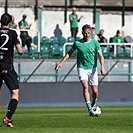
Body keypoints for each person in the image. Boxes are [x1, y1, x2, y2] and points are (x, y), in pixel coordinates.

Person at [55, 24, 106, 116]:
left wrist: (102, 67)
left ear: (90, 32)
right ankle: (90, 108)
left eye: (88, 33)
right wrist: (61, 62)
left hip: (93, 69)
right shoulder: (77, 43)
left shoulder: (95, 43)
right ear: (82, 33)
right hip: (82, 68)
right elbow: (69, 53)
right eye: (84, 33)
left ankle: (94, 104)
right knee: (85, 86)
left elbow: (101, 56)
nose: (86, 35)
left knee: (95, 91)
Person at [0, 13, 24, 127]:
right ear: (10, 23)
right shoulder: (13, 33)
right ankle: (7, 118)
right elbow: (20, 50)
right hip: (7, 67)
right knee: (14, 94)